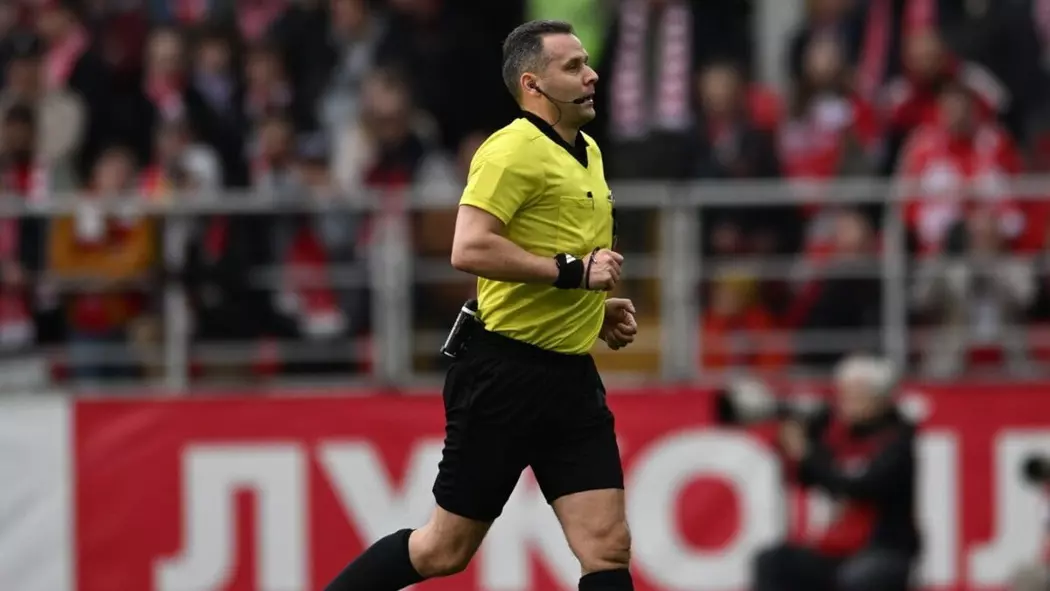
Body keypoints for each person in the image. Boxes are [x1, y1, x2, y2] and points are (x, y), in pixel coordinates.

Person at [324, 19, 639, 591]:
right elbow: (468, 247)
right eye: (572, 66)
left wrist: (596, 312)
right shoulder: (510, 150)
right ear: (532, 84)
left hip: (571, 378)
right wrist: (573, 273)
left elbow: (558, 254)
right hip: (504, 375)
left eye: (587, 63)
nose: (591, 75)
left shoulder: (588, 150)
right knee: (443, 550)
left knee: (608, 545)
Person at [752, 354, 921, 591]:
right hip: (836, 547)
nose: (846, 402)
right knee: (773, 561)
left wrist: (807, 455)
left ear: (881, 398)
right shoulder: (835, 432)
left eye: (857, 395)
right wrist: (792, 449)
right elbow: (807, 477)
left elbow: (860, 486)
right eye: (844, 394)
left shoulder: (897, 441)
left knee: (858, 577)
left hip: (883, 549)